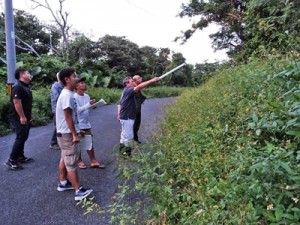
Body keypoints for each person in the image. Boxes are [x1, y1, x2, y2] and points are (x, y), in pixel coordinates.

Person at [55, 67, 93, 201]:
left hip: (65, 132)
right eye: (74, 76)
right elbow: (68, 117)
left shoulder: (68, 94)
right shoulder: (67, 95)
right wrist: (74, 134)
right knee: (71, 162)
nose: (77, 78)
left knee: (64, 158)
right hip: (67, 134)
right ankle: (78, 191)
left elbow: (72, 116)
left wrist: (78, 130)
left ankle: (63, 183)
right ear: (67, 79)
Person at [119, 76, 160, 157]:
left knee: (124, 136)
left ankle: (123, 153)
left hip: (126, 117)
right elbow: (139, 86)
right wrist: (152, 80)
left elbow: (140, 86)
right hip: (127, 117)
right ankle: (126, 155)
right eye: (131, 82)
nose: (133, 83)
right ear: (127, 84)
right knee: (129, 136)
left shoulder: (127, 91)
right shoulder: (128, 90)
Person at [74, 78, 106, 169]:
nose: (85, 84)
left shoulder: (87, 96)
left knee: (89, 142)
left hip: (86, 123)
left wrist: (94, 105)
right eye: (82, 83)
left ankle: (93, 160)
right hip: (78, 123)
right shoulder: (74, 97)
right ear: (77, 86)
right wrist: (88, 105)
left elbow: (87, 108)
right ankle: (79, 161)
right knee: (78, 143)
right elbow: (77, 111)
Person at [6, 68, 33, 171]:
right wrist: (22, 116)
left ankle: (20, 157)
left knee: (24, 136)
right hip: (18, 117)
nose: (30, 74)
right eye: (28, 72)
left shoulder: (25, 87)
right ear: (22, 75)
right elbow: (17, 103)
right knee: (21, 137)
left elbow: (27, 104)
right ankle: (12, 160)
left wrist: (29, 116)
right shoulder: (18, 87)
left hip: (25, 116)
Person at [49, 72, 63, 150]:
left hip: (63, 109)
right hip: (57, 110)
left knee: (60, 126)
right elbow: (56, 98)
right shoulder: (55, 86)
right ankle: (53, 142)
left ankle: (58, 142)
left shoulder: (63, 86)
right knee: (58, 126)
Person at [132, 75, 147, 143]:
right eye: (139, 78)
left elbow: (142, 85)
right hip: (134, 111)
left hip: (138, 110)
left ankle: (135, 138)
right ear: (135, 80)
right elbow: (140, 86)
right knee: (134, 125)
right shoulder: (133, 88)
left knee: (137, 124)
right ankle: (134, 139)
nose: (141, 78)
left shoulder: (137, 86)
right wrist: (152, 80)